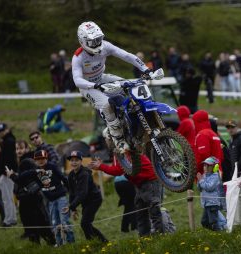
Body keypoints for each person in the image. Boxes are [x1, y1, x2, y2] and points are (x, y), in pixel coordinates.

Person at [72, 21, 150, 154]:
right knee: (107, 104)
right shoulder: (78, 57)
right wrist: (94, 85)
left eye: (98, 39)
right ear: (82, 41)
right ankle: (117, 138)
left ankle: (131, 120)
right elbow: (77, 80)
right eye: (92, 41)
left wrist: (145, 68)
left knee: (129, 86)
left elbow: (126, 55)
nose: (96, 44)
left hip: (101, 77)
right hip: (87, 86)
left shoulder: (106, 46)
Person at [89, 154, 165, 237]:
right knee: (140, 213)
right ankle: (145, 238)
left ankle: (160, 236)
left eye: (109, 140)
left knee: (154, 210)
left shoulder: (124, 149)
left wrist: (101, 166)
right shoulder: (116, 153)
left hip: (150, 181)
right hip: (139, 184)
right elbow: (116, 169)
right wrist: (102, 166)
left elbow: (118, 170)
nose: (108, 142)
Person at [6, 157, 56, 245]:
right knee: (33, 229)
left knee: (42, 227)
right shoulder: (22, 178)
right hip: (29, 207)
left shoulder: (35, 177)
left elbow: (30, 191)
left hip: (36, 206)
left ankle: (51, 242)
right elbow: (17, 193)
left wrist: (13, 176)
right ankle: (40, 243)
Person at [33, 150, 74, 246]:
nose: (40, 161)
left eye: (43, 159)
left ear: (46, 158)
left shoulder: (52, 166)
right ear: (35, 161)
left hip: (61, 198)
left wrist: (70, 192)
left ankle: (71, 242)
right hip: (50, 200)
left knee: (64, 221)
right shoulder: (35, 171)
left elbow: (63, 178)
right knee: (55, 222)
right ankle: (59, 243)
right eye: (38, 159)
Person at [65, 151, 107, 242]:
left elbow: (82, 193)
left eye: (76, 160)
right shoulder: (71, 175)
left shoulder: (84, 174)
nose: (74, 162)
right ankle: (103, 241)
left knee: (85, 223)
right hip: (85, 201)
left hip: (94, 200)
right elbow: (72, 192)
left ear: (81, 161)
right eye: (72, 160)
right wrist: (73, 209)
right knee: (87, 224)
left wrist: (71, 206)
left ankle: (92, 243)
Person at [0, 123, 17, 227]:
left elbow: (8, 159)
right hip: (8, 172)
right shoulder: (9, 140)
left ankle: (9, 220)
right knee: (8, 197)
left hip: (7, 172)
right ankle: (11, 218)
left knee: (7, 197)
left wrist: (5, 172)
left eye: (2, 130)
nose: (1, 133)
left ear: (7, 130)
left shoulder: (8, 142)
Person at [197, 156, 226, 231]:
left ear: (214, 167)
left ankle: (219, 232)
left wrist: (201, 181)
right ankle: (215, 231)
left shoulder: (215, 176)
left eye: (207, 165)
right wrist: (199, 182)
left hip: (213, 203)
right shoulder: (204, 176)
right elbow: (200, 188)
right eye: (204, 165)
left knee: (213, 222)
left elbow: (209, 187)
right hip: (206, 203)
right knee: (204, 222)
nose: (205, 167)